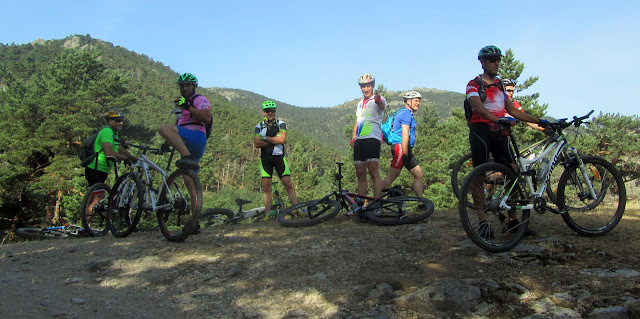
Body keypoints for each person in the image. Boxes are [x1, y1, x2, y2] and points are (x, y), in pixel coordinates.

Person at [466, 45, 548, 236]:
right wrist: (497, 119)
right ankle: (483, 222)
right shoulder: (473, 84)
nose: (496, 63)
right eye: (493, 60)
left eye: (498, 60)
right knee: (479, 175)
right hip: (481, 131)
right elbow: (476, 107)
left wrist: (539, 120)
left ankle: (512, 221)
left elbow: (512, 110)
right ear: (483, 62)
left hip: (499, 132)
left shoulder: (500, 85)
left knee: (514, 173)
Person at [84, 109, 137, 216]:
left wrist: (131, 157)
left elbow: (119, 148)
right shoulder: (107, 132)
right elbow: (109, 152)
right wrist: (125, 158)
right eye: (118, 120)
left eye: (122, 120)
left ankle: (84, 227)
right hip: (97, 168)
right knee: (99, 199)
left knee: (91, 198)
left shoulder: (114, 133)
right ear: (110, 121)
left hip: (99, 169)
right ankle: (86, 228)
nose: (121, 123)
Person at [158, 73, 211, 170]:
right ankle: (188, 160)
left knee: (163, 128)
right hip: (186, 139)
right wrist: (168, 142)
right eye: (182, 86)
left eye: (188, 85)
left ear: (195, 86)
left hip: (196, 135)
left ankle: (187, 156)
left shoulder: (200, 99)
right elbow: (179, 123)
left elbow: (206, 118)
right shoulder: (181, 102)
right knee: (188, 176)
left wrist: (187, 106)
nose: (184, 88)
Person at [253, 101, 299, 214]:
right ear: (263, 112)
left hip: (279, 159)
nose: (270, 113)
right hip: (265, 160)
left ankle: (298, 210)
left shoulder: (281, 124)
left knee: (289, 186)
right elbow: (257, 144)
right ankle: (267, 214)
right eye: (268, 111)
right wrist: (274, 140)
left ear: (275, 111)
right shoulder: (259, 126)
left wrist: (265, 138)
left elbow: (282, 140)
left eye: (272, 111)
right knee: (267, 189)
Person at [381, 91, 424, 202]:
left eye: (419, 101)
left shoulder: (405, 113)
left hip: (404, 148)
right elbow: (405, 133)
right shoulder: (406, 114)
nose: (418, 103)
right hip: (401, 148)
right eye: (416, 101)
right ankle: (377, 202)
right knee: (392, 176)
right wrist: (404, 154)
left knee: (418, 174)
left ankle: (421, 203)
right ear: (408, 101)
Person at [351, 74, 387, 203]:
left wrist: (378, 101)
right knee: (360, 174)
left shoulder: (379, 99)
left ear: (372, 86)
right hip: (359, 140)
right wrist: (353, 137)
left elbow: (382, 106)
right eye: (363, 86)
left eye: (368, 86)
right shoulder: (360, 103)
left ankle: (377, 204)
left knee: (373, 172)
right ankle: (361, 204)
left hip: (372, 138)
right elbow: (358, 120)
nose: (365, 89)